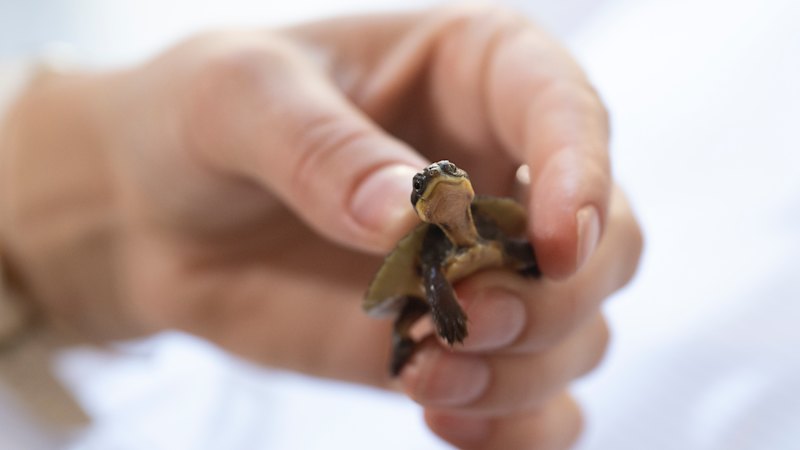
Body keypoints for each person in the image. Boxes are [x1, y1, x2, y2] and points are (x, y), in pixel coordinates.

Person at [0, 3, 642, 449]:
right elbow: (424, 281)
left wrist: (69, 205)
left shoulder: (492, 221)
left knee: (526, 279)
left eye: (447, 180)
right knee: (417, 329)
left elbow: (515, 237)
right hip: (432, 286)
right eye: (425, 185)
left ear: (467, 190)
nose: (440, 187)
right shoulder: (426, 248)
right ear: (422, 205)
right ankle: (406, 348)